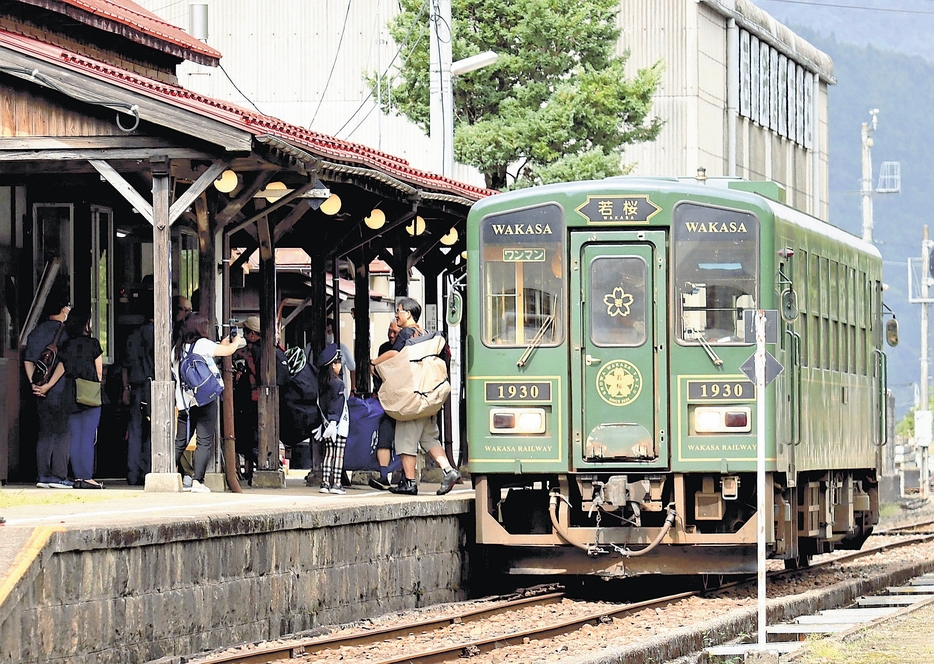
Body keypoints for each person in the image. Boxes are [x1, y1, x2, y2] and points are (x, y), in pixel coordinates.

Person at [370, 297, 461, 496]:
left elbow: (396, 355)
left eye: (399, 311)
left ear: (408, 314)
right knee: (430, 439)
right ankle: (449, 470)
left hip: (411, 399)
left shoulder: (406, 333)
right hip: (428, 396)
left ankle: (409, 482)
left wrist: (374, 363)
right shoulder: (426, 333)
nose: (397, 314)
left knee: (405, 443)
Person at [172, 313, 241, 493]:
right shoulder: (202, 344)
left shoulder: (176, 350)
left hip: (184, 402)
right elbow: (226, 352)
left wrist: (223, 344)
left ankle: (167, 472)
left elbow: (217, 349)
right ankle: (197, 481)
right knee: (204, 441)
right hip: (205, 399)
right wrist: (236, 341)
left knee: (180, 440)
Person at [23, 291, 72, 489]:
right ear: (63, 309)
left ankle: (43, 475)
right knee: (62, 431)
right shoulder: (64, 332)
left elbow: (28, 360)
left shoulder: (36, 331)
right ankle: (59, 475)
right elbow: (64, 364)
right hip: (59, 389)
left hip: (39, 392)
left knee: (45, 432)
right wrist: (49, 385)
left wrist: (35, 385)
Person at [60, 306, 104, 489]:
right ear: (86, 323)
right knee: (88, 437)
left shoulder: (66, 345)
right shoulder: (93, 344)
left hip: (70, 392)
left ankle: (78, 477)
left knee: (75, 436)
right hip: (89, 392)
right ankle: (87, 476)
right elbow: (99, 372)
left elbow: (62, 369)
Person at [122, 302, 154, 486]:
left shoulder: (133, 335)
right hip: (154, 385)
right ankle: (147, 470)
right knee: (153, 431)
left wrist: (126, 388)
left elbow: (126, 365)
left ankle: (132, 473)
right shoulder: (160, 334)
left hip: (135, 386)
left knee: (134, 431)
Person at [368, 320, 400, 491]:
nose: (391, 334)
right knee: (384, 437)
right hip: (386, 399)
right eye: (390, 331)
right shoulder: (383, 348)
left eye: (395, 332)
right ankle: (383, 475)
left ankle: (405, 475)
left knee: (406, 441)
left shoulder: (407, 348)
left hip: (404, 400)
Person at [317, 343, 348, 495]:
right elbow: (337, 404)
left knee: (328, 453)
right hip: (338, 423)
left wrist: (326, 423)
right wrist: (334, 421)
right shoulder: (339, 384)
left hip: (326, 423)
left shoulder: (323, 384)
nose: (340, 365)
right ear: (333, 365)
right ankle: (336, 483)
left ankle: (324, 482)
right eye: (338, 362)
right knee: (339, 453)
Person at [308, 318, 356, 396]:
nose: (326, 334)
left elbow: (352, 368)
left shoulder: (342, 348)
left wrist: (353, 389)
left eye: (329, 331)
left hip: (338, 394)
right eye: (325, 332)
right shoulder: (310, 348)